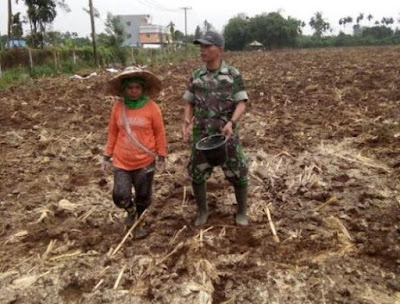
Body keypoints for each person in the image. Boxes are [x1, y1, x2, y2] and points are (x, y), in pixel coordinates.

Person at [182, 31, 249, 227]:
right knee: (197, 172)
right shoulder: (196, 75)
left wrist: (231, 123)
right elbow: (189, 102)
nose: (202, 50)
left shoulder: (233, 75)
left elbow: (242, 103)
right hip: (202, 134)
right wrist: (186, 122)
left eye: (207, 46)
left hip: (226, 134)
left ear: (220, 50)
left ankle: (242, 211)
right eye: (201, 47)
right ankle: (203, 211)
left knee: (239, 171)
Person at [102, 66, 167, 236]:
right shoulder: (118, 107)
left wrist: (162, 156)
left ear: (143, 89)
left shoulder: (152, 108)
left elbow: (159, 133)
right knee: (119, 195)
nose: (133, 91)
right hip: (122, 161)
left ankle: (139, 223)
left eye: (137, 88)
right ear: (124, 89)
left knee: (143, 197)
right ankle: (130, 212)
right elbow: (113, 132)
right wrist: (106, 156)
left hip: (145, 161)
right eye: (130, 88)